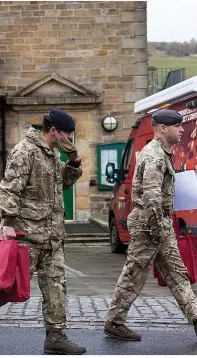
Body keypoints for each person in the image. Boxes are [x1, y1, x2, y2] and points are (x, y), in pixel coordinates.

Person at [0, 109, 86, 355]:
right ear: (54, 132)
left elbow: (64, 182)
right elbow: (9, 188)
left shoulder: (51, 153)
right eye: (67, 135)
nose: (70, 139)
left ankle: (56, 336)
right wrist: (8, 221)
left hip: (52, 234)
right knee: (11, 286)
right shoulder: (25, 150)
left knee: (56, 286)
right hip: (26, 233)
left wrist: (73, 161)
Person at [104, 109, 197, 340]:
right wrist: (158, 228)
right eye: (178, 126)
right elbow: (152, 195)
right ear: (163, 128)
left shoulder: (162, 152)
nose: (182, 130)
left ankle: (196, 318)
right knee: (134, 273)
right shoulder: (155, 155)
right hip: (150, 225)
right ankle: (114, 322)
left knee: (177, 274)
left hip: (158, 223)